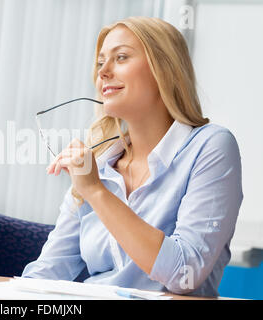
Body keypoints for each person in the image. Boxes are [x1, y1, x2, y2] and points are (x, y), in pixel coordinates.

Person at [21, 16, 243, 297]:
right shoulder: (98, 165)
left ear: (166, 70)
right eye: (101, 62)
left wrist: (97, 193)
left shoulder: (210, 147)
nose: (103, 72)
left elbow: (185, 273)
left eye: (121, 57)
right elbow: (46, 273)